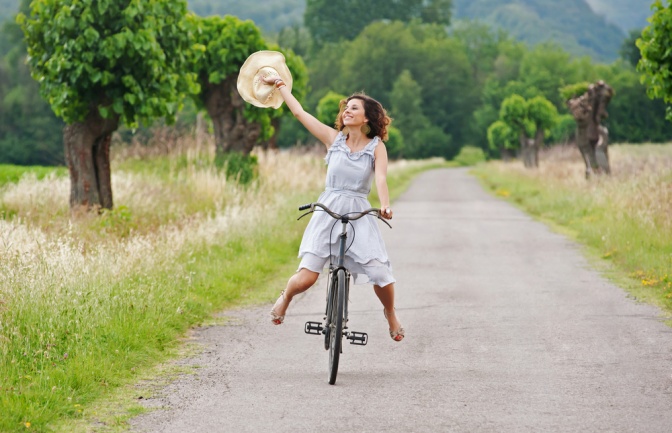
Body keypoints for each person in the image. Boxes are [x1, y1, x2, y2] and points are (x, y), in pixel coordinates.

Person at [236, 51, 404, 341]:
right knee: (308, 276)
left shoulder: (376, 146)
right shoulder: (333, 139)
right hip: (328, 207)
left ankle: (390, 313)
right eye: (346, 108)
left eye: (353, 108)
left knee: (379, 272)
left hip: (358, 211)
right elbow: (300, 113)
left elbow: (381, 178)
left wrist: (385, 205)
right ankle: (286, 297)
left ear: (367, 118)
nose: (346, 112)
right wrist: (280, 86)